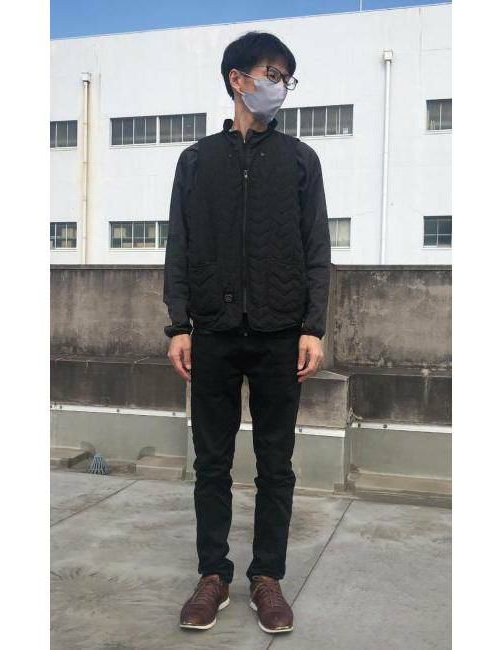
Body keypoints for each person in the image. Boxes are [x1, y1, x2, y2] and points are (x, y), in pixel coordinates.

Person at [162, 30, 331, 635]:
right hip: (211, 330)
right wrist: (178, 323)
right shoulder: (197, 161)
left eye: (285, 77)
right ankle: (213, 574)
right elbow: (178, 245)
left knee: (275, 464)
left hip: (279, 333)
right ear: (237, 79)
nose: (278, 86)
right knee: (211, 462)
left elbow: (317, 247)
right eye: (270, 73)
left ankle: (267, 578)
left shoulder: (300, 160)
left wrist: (313, 327)